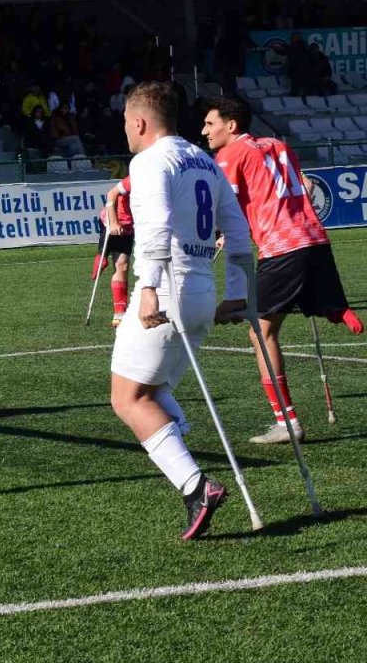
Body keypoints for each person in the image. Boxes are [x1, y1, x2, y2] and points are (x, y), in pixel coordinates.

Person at [112, 81, 253, 540]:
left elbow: (154, 224)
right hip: (201, 291)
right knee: (152, 388)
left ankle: (196, 487)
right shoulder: (204, 160)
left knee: (128, 398)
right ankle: (177, 432)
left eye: (126, 124)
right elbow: (237, 228)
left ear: (139, 121)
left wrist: (148, 285)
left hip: (168, 287)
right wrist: (238, 291)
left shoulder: (150, 160)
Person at [202, 96, 364, 445]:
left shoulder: (229, 154)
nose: (204, 132)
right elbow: (299, 185)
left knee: (260, 334)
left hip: (281, 247)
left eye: (210, 124)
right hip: (315, 238)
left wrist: (217, 234)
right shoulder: (278, 144)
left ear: (231, 125)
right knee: (275, 312)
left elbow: (225, 206)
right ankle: (334, 307)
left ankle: (286, 422)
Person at [95, 175, 134, 327]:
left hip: (129, 227)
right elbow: (111, 194)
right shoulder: (136, 177)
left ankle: (119, 312)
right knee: (103, 262)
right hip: (112, 221)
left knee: (122, 265)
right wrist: (114, 222)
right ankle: (100, 258)